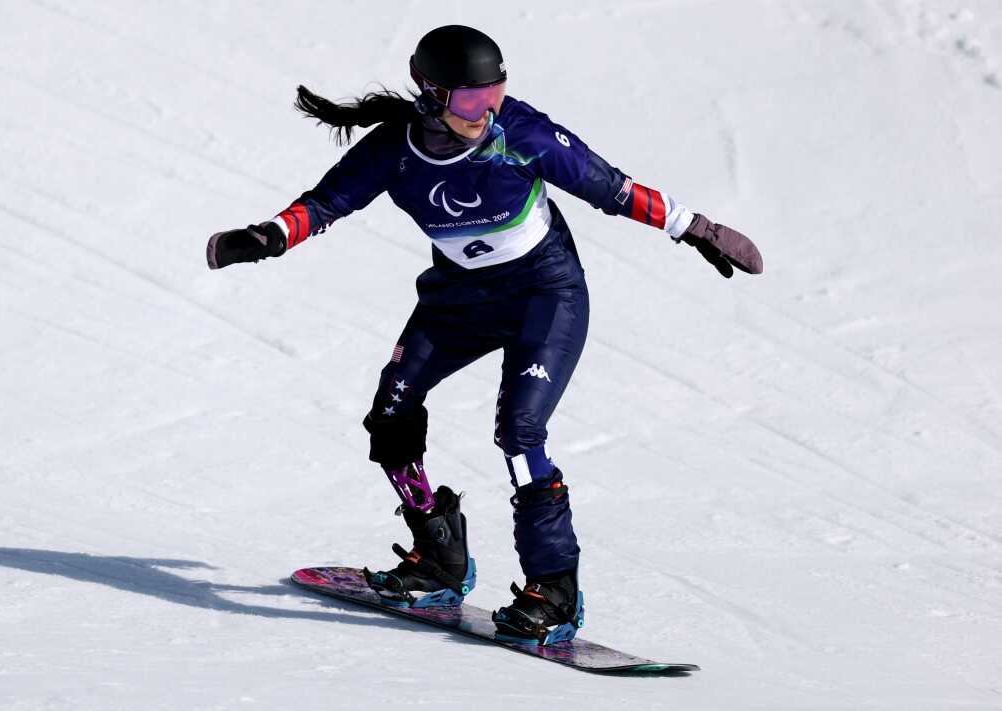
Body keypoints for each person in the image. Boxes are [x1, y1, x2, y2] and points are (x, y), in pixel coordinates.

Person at [206, 25, 763, 646]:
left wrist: (697, 228)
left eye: (495, 93)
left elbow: (614, 188)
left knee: (520, 434)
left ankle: (554, 590)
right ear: (431, 96)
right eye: (472, 102)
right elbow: (324, 203)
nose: (487, 112)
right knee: (390, 414)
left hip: (545, 296)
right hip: (459, 300)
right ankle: (438, 555)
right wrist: (268, 238)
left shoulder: (519, 134)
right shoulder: (394, 151)